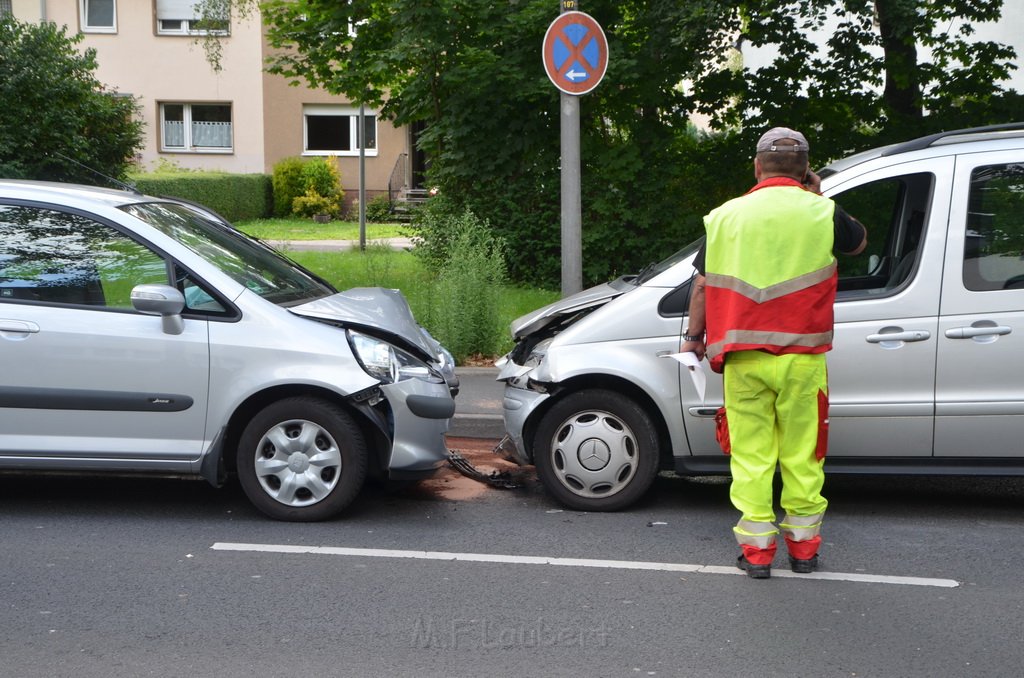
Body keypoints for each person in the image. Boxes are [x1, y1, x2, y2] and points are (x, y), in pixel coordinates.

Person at [681, 127, 867, 579]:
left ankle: (758, 554)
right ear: (806, 170)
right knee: (803, 456)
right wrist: (818, 195)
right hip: (802, 359)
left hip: (743, 358)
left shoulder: (725, 217)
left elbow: (703, 283)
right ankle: (804, 552)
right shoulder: (822, 211)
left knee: (750, 456)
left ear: (757, 166)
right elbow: (858, 242)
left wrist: (693, 337)